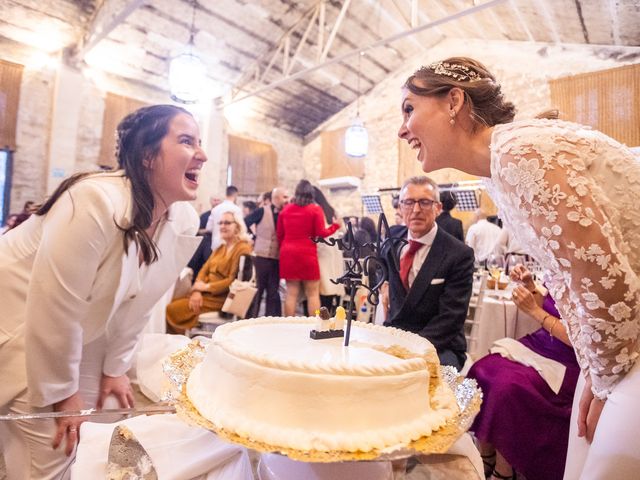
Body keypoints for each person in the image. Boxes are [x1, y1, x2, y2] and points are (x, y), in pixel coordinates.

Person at [397, 56, 640, 478]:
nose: (402, 129)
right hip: (609, 350)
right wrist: (596, 371)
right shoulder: (500, 167)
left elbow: (607, 287)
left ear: (453, 101)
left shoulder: (517, 153)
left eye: (409, 109)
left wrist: (605, 381)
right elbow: (573, 281)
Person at [0, 104, 206, 478]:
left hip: (76, 334)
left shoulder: (181, 218)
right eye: (187, 141)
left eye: (200, 142)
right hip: (18, 331)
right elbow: (55, 305)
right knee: (50, 452)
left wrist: (115, 370)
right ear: (147, 155)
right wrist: (63, 395)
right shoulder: (94, 200)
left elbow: (141, 302)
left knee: (101, 428)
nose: (202, 155)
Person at [468, 264, 579, 480]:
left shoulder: (590, 282)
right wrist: (530, 287)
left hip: (569, 360)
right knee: (481, 369)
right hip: (541, 344)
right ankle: (486, 454)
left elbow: (579, 341)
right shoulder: (561, 266)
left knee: (507, 387)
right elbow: (549, 307)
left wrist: (534, 311)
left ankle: (504, 469)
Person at [381, 176, 474, 370]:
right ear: (400, 207)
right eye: (408, 202)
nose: (416, 210)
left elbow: (451, 317)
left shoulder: (458, 254)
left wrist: (412, 349)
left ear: (438, 208)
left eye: (424, 202)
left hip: (439, 344)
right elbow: (378, 262)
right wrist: (384, 283)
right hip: (395, 335)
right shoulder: (392, 240)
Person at [166, 210, 252, 333]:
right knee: (175, 304)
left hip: (222, 298)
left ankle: (181, 345)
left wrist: (205, 287)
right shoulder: (221, 247)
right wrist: (197, 291)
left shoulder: (242, 248)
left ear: (237, 225)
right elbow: (203, 270)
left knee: (172, 310)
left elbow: (232, 281)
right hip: (206, 293)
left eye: (227, 223)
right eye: (220, 223)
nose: (222, 226)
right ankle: (182, 343)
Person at [277, 179, 339, 316]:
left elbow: (280, 235)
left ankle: (288, 325)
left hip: (288, 253)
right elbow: (321, 233)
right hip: (307, 254)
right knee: (312, 294)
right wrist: (336, 225)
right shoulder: (315, 210)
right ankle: (313, 325)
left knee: (291, 293)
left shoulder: (285, 210)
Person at [244, 186, 290, 317]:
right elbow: (245, 221)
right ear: (276, 198)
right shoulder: (262, 211)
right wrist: (253, 236)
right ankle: (251, 320)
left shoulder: (287, 212)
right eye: (284, 197)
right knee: (257, 291)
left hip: (277, 259)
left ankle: (269, 322)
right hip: (261, 257)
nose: (287, 200)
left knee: (273, 292)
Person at [205, 185, 242, 251]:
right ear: (236, 195)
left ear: (226, 194)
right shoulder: (237, 210)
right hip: (230, 246)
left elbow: (209, 228)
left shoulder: (215, 209)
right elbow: (240, 229)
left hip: (216, 245)